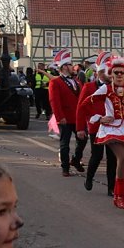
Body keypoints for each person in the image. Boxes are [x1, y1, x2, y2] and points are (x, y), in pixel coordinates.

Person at [83, 55, 124, 210]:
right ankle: (120, 196)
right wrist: (99, 118)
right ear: (111, 74)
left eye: (121, 72)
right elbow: (86, 104)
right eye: (115, 72)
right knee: (123, 158)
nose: (119, 75)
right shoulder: (106, 88)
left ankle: (118, 194)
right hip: (111, 128)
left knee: (123, 161)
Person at [77, 51, 117, 197]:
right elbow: (81, 108)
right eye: (108, 72)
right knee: (97, 155)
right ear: (100, 73)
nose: (111, 75)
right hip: (96, 127)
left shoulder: (115, 87)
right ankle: (89, 177)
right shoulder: (89, 87)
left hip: (112, 128)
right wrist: (80, 128)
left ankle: (111, 188)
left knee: (113, 158)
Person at [47, 49, 87, 177]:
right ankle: (65, 167)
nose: (72, 66)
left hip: (77, 118)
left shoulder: (77, 81)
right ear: (64, 67)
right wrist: (59, 117)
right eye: (70, 64)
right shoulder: (55, 82)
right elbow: (54, 101)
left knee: (83, 138)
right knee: (65, 143)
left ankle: (75, 159)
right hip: (65, 117)